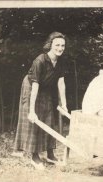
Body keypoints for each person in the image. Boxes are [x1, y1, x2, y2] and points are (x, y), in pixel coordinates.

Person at [12, 32, 68, 170]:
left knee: (49, 117)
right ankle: (34, 157)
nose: (60, 48)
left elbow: (61, 83)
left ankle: (50, 154)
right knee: (34, 120)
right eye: (57, 45)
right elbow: (35, 85)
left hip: (45, 88)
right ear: (50, 45)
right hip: (31, 87)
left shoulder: (61, 61)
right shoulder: (40, 60)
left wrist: (64, 104)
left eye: (62, 45)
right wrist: (31, 110)